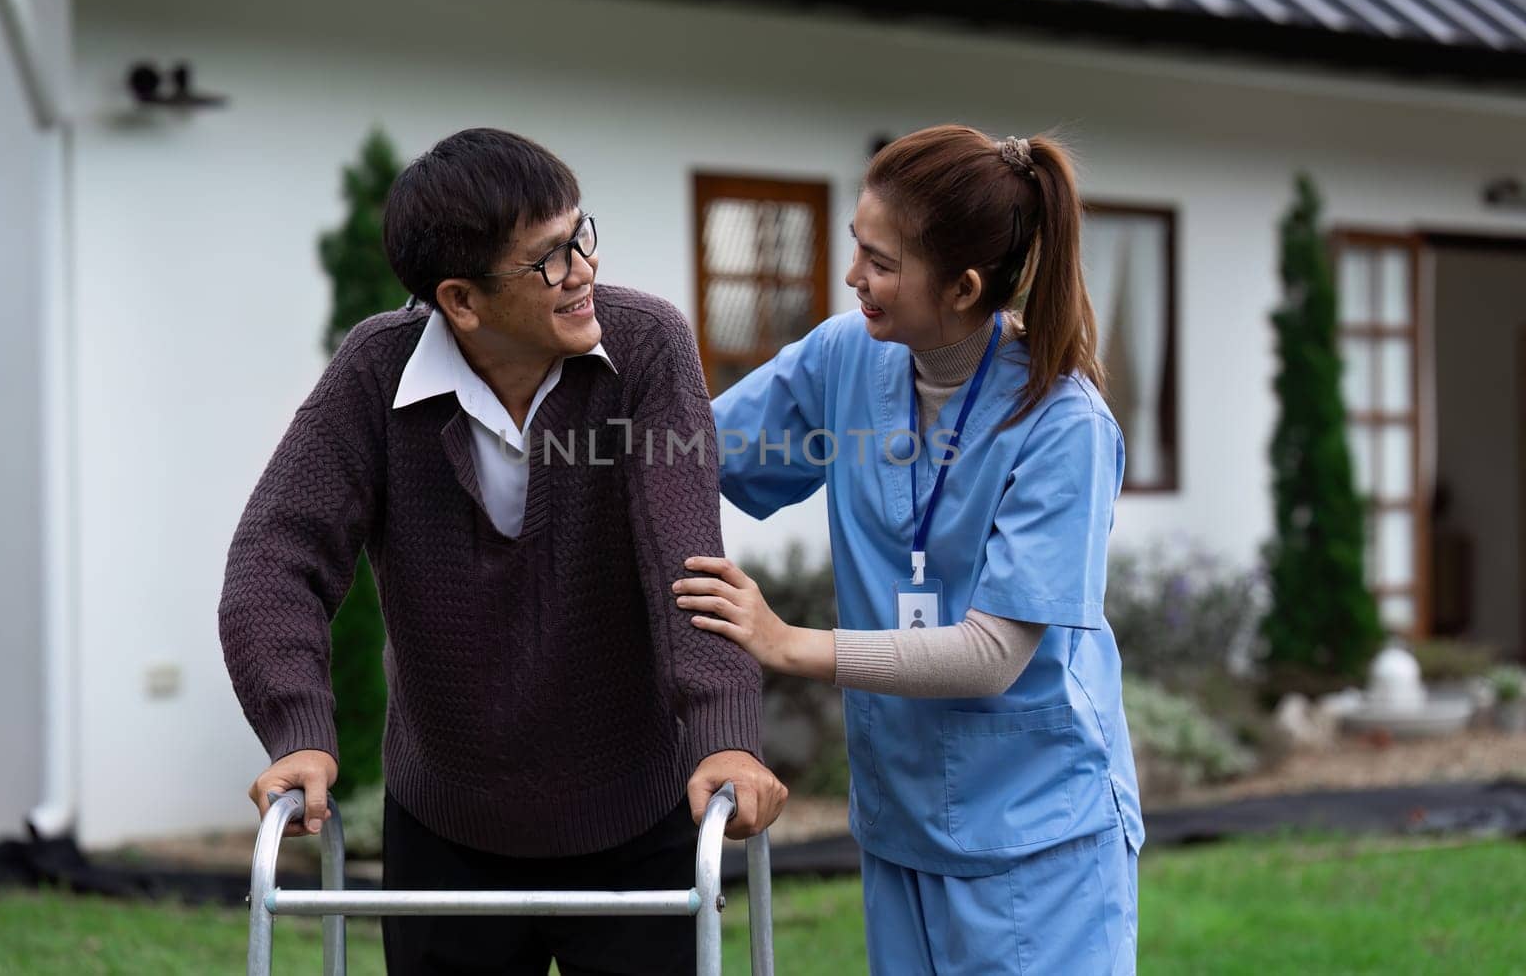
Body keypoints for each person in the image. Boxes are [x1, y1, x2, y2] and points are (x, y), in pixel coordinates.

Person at [219, 128, 786, 976]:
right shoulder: (377, 372)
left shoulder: (649, 350)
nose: (583, 269)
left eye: (579, 235)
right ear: (462, 299)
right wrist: (298, 729)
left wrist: (724, 732)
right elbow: (274, 558)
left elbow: (686, 554)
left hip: (632, 812)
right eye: (547, 260)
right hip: (446, 822)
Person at [675, 125, 1143, 974]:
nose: (853, 275)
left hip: (1038, 843)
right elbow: (689, 452)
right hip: (900, 827)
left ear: (964, 287)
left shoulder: (1063, 426)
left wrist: (786, 642)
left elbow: (993, 653)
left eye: (880, 262)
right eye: (858, 245)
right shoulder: (846, 358)